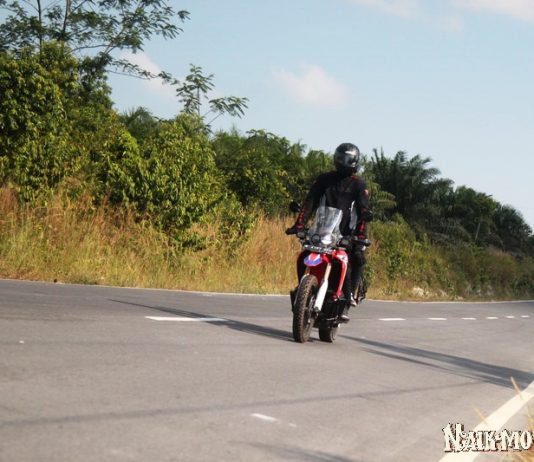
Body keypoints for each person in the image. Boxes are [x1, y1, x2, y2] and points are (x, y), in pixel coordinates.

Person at [286, 142, 373, 322]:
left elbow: (363, 209)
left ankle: (347, 299)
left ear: (354, 161)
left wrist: (360, 234)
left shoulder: (358, 184)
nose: (342, 161)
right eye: (340, 157)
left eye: (347, 159)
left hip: (348, 233)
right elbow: (310, 201)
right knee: (305, 254)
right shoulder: (324, 179)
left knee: (356, 258)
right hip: (323, 230)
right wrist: (299, 224)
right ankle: (302, 289)